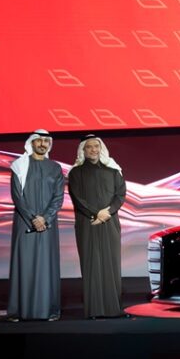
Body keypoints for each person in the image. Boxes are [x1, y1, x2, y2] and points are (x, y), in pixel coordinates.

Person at [68, 135, 127, 319]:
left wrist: (107, 213)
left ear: (101, 149)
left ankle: (114, 310)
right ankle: (94, 310)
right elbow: (77, 198)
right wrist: (96, 213)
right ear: (83, 150)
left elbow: (120, 195)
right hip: (88, 223)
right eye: (89, 147)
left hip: (110, 222)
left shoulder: (113, 171)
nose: (93, 150)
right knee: (91, 264)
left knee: (112, 263)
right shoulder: (76, 173)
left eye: (96, 146)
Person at [8, 130, 64, 321]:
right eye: (38, 140)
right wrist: (33, 218)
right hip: (24, 223)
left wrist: (45, 218)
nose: (42, 144)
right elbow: (17, 196)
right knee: (24, 265)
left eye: (46, 141)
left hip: (48, 225)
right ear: (31, 143)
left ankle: (49, 310)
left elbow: (58, 197)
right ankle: (19, 311)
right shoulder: (19, 166)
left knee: (47, 267)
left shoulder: (55, 168)